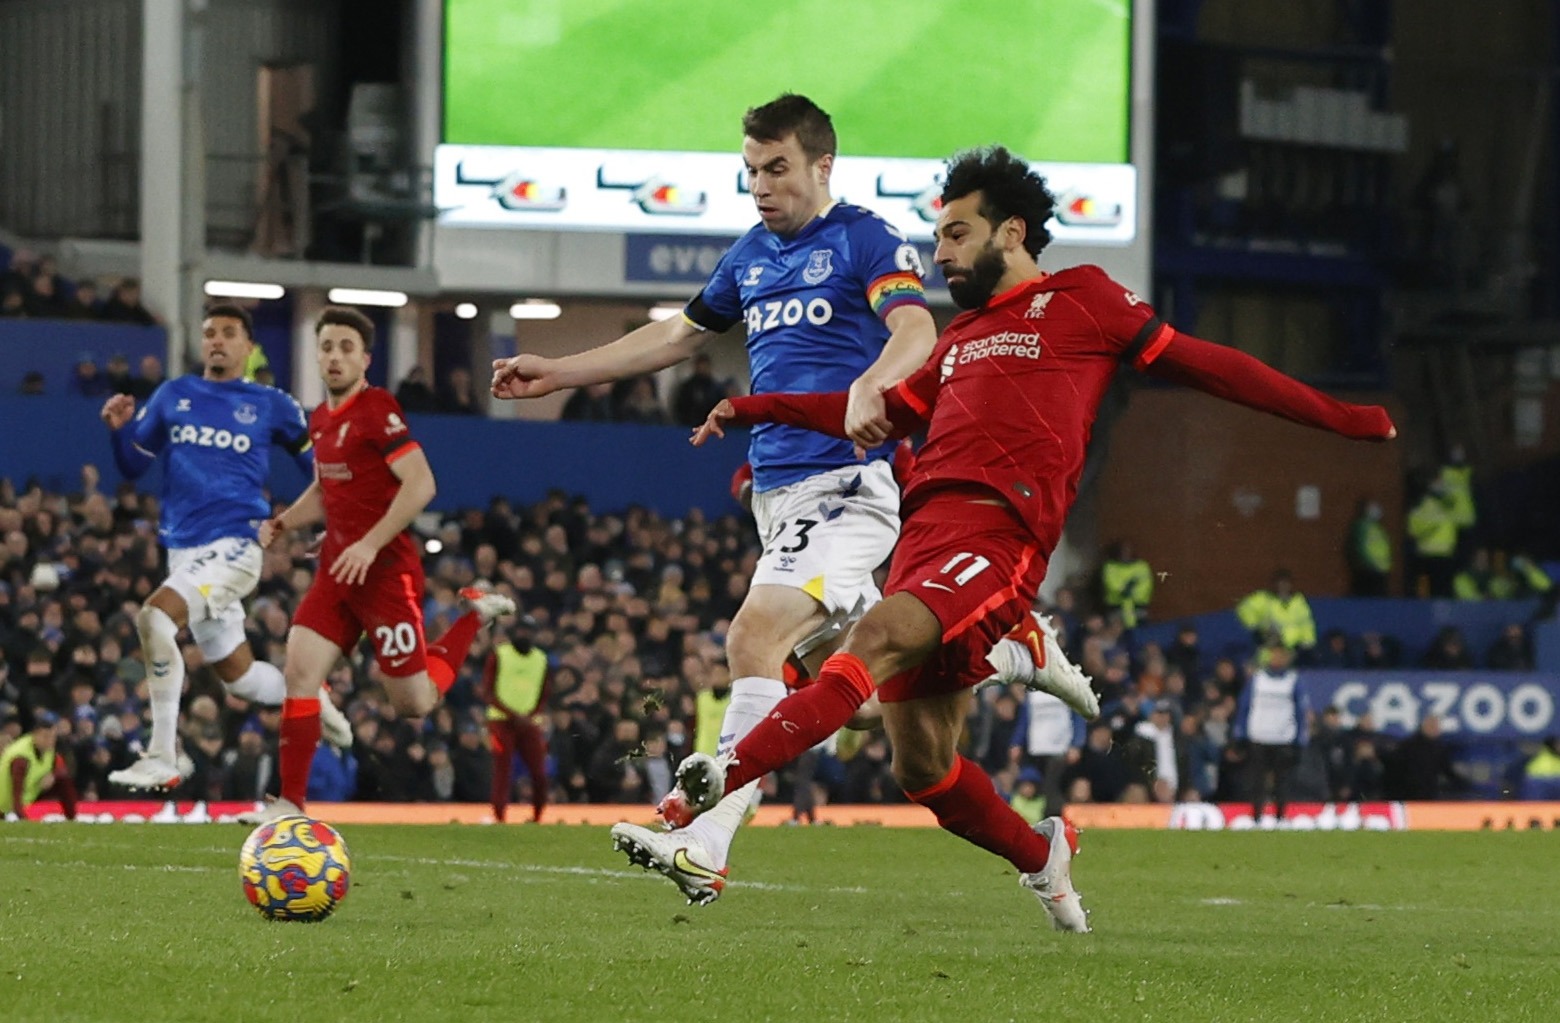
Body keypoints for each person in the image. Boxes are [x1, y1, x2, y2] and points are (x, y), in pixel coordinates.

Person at [661, 145, 1394, 927]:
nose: (940, 254)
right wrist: (752, 407)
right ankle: (1042, 852)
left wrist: (1341, 418)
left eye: (956, 234)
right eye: (939, 238)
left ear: (1011, 232)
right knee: (921, 767)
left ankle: (723, 775)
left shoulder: (1086, 299)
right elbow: (866, 412)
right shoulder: (959, 340)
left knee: (868, 641)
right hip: (923, 539)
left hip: (998, 536)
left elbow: (1212, 365)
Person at [492, 94, 942, 877]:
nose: (761, 185)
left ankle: (703, 841)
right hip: (779, 497)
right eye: (751, 170)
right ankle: (1001, 649)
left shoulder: (863, 237)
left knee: (750, 638)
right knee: (867, 701)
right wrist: (559, 372)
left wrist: (872, 384)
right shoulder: (750, 256)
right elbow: (676, 334)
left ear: (822, 165)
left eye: (777, 168)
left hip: (843, 484)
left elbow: (916, 327)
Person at [236, 307, 515, 825]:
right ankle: (289, 803)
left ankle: (472, 618)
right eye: (326, 346)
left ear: (365, 359)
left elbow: (421, 484)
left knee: (414, 704)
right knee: (299, 672)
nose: (334, 356)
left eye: (346, 347)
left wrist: (367, 544)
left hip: (385, 575)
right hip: (337, 574)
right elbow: (327, 490)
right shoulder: (321, 419)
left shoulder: (377, 408)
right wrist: (284, 523)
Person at [99, 303, 352, 790]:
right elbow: (133, 465)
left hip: (236, 544)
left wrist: (336, 523)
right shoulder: (174, 394)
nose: (216, 340)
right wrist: (119, 432)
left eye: (229, 333)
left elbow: (321, 472)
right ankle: (313, 697)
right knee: (239, 677)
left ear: (248, 346)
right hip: (184, 551)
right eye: (210, 332)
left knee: (154, 619)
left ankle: (162, 755)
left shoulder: (273, 404)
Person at [478, 615, 550, 823]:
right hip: (501, 721)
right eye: (521, 631)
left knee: (539, 772)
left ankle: (538, 816)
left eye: (528, 632)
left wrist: (531, 714)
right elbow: (488, 690)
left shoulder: (540, 659)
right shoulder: (500, 655)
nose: (524, 636)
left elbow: (544, 691)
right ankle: (499, 815)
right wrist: (514, 714)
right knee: (503, 769)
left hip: (529, 722)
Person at [1232, 642, 1309, 825]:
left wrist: (1300, 739)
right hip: (1258, 737)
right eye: (1274, 654)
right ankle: (1256, 818)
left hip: (1283, 739)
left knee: (1283, 782)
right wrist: (1239, 734)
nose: (1277, 658)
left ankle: (1280, 818)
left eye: (1281, 654)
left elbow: (1300, 711)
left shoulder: (1293, 680)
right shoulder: (1257, 679)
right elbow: (1244, 706)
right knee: (1256, 781)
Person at [1, 711, 77, 821]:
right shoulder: (21, 757)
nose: (50, 741)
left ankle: (72, 817)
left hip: (28, 795)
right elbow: (15, 793)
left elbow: (64, 771)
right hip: (6, 804)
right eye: (45, 736)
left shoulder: (49, 751)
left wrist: (53, 775)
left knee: (63, 780)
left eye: (53, 737)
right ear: (35, 735)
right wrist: (23, 819)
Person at [1234, 569, 1317, 659]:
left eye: (1286, 583)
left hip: (1295, 649)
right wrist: (1257, 626)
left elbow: (1306, 624)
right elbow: (1243, 609)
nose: (1283, 586)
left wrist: (1307, 643)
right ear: (1275, 584)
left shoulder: (1299, 601)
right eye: (1280, 583)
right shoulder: (1265, 599)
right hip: (1270, 646)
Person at [1099, 540, 1153, 628]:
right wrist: (1125, 590)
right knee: (1116, 633)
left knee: (1141, 632)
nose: (1125, 553)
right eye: (1122, 551)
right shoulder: (1110, 567)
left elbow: (1146, 585)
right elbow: (1111, 584)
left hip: (1138, 607)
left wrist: (1131, 594)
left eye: (1128, 550)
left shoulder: (1141, 566)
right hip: (1116, 607)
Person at [1346, 498, 1392, 596]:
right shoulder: (1362, 526)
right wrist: (1367, 563)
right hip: (1369, 570)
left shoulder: (1377, 527)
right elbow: (1359, 548)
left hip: (1380, 570)